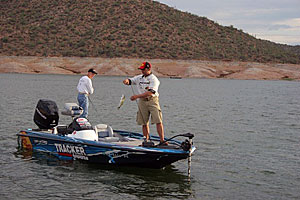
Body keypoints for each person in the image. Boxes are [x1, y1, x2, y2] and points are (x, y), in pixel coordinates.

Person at [123, 61, 166, 145]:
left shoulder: (154, 79)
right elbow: (131, 80)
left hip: (152, 100)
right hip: (142, 102)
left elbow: (150, 92)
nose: (142, 71)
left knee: (158, 120)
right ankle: (146, 139)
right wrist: (127, 81)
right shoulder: (139, 78)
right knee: (144, 122)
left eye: (144, 69)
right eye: (141, 69)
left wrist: (137, 96)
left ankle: (162, 140)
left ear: (149, 69)